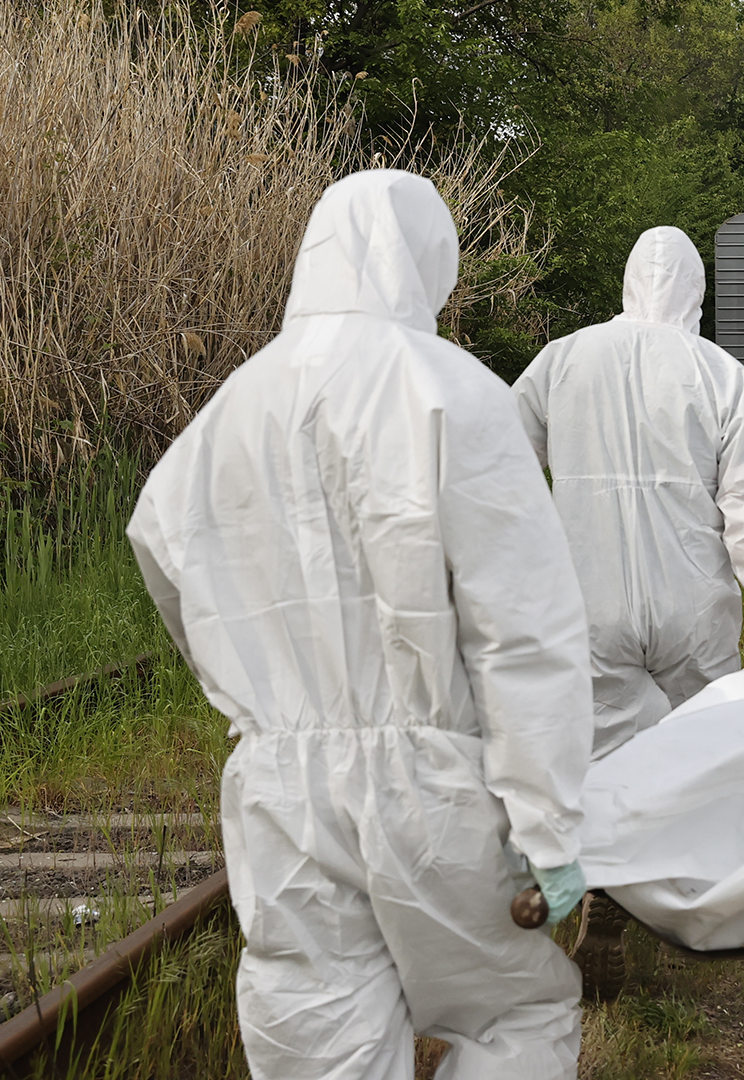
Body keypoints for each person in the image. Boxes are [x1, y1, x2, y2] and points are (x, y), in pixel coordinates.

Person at [127, 170, 593, 1080]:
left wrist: (253, 690)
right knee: (508, 1013)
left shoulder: (232, 407)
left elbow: (162, 545)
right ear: (425, 263)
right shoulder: (454, 391)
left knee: (318, 1031)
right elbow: (525, 633)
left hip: (281, 791)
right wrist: (549, 823)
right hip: (439, 789)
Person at [513, 224, 744, 761]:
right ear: (696, 291)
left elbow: (500, 471)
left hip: (587, 601)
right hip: (693, 609)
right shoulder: (722, 374)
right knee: (702, 762)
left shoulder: (563, 359)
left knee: (600, 769)